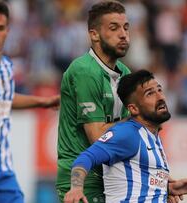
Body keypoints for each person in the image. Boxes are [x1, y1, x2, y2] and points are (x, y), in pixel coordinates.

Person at [64, 70, 187, 203]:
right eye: (150, 94)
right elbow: (86, 157)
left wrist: (168, 189)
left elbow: (140, 183)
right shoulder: (127, 134)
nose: (160, 97)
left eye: (159, 89)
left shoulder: (154, 138)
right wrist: (76, 188)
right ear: (133, 108)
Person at [0, 1, 60, 203]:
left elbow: (6, 99)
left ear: (8, 31)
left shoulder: (6, 66)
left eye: (0, 28)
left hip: (2, 169)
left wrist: (43, 102)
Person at [56, 1, 132, 202]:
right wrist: (136, 119)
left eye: (126, 27)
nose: (123, 34)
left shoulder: (125, 73)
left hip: (112, 177)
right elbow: (98, 135)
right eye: (114, 28)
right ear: (94, 34)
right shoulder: (84, 71)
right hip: (82, 180)